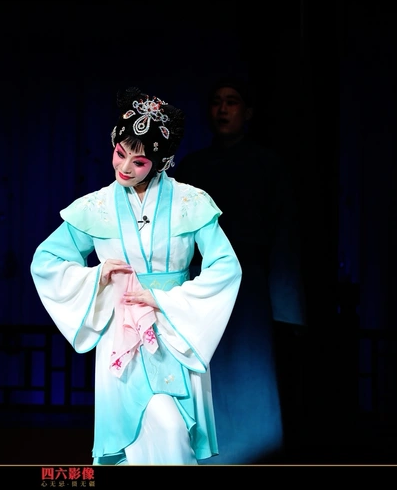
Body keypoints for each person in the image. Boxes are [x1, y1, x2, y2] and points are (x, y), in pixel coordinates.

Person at [30, 87, 242, 465]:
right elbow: (46, 261)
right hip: (122, 336)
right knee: (139, 437)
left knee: (173, 430)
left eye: (139, 161)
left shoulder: (190, 202)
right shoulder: (96, 207)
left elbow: (225, 266)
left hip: (173, 330)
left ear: (160, 162)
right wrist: (96, 277)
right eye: (120, 153)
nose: (125, 167)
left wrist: (166, 299)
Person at [173, 76, 307, 464]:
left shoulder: (268, 165)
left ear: (247, 112)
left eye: (231, 101)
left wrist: (287, 307)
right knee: (206, 374)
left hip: (249, 287)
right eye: (216, 101)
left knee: (250, 372)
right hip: (202, 285)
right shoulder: (193, 166)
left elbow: (284, 237)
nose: (223, 109)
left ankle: (255, 453)